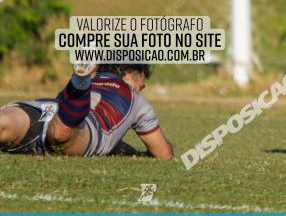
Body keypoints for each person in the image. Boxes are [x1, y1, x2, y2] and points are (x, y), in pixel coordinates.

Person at [0, 62, 173, 159]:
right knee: (62, 133)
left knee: (5, 123)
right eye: (141, 86)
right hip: (82, 128)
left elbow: (116, 145)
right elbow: (164, 154)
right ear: (128, 78)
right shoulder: (136, 99)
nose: (140, 90)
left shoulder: (97, 83)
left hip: (46, 108)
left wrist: (131, 153)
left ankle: (80, 83)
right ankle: (80, 81)